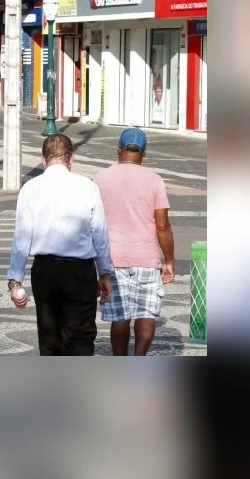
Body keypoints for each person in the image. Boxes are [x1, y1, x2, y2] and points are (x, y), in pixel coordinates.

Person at [7, 134, 114, 356]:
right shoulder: (88, 187)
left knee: (50, 336)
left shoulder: (30, 188)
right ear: (71, 159)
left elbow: (22, 237)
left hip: (45, 271)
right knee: (81, 335)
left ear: (43, 160)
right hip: (79, 272)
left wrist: (15, 280)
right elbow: (99, 234)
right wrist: (104, 273)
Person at [93, 128, 174, 356]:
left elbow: (93, 222)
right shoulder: (155, 181)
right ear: (144, 153)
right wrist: (169, 260)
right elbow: (162, 225)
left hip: (111, 259)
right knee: (146, 313)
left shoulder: (100, 179)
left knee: (120, 317)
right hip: (146, 259)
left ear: (118, 149)